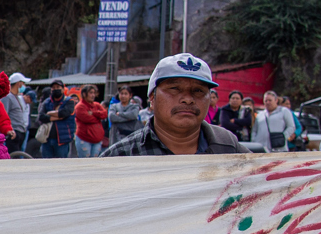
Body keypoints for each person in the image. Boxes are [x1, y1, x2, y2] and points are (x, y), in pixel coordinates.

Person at [102, 55, 246, 156]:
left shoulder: (227, 146)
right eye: (175, 89)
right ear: (152, 96)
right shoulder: (122, 156)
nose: (188, 99)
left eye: (198, 91)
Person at [36, 81, 76, 159]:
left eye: (58, 87)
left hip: (62, 140)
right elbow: (41, 117)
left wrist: (49, 113)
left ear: (63, 89)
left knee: (61, 164)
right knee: (46, 163)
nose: (55, 89)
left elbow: (64, 113)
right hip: (47, 139)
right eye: (53, 88)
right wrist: (57, 117)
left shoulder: (69, 101)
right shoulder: (46, 102)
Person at [72, 85, 108, 158]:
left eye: (94, 93)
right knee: (85, 162)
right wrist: (98, 118)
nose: (93, 95)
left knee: (95, 161)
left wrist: (94, 113)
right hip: (84, 138)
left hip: (97, 139)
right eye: (91, 93)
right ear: (84, 94)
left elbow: (105, 114)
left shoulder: (97, 105)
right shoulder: (80, 106)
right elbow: (87, 119)